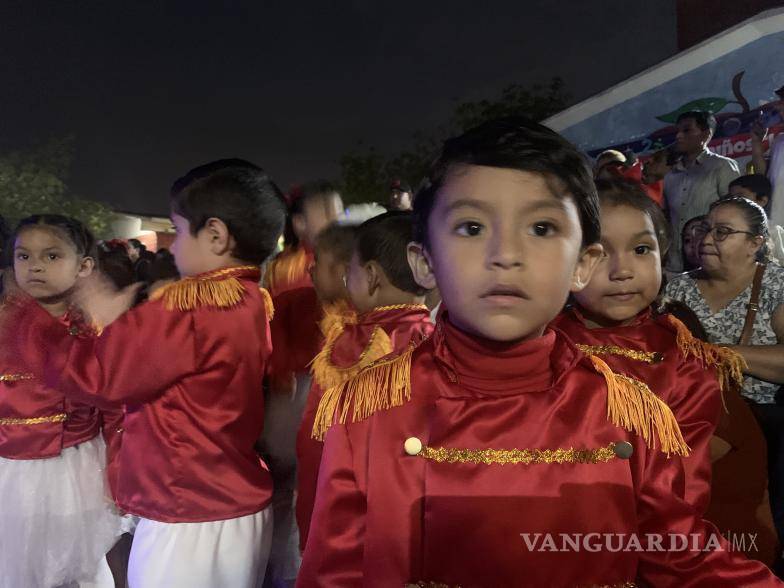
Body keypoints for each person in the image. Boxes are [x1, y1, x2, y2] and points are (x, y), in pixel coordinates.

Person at [298, 118, 781, 586]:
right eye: (471, 228)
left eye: (542, 229)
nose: (506, 254)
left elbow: (682, 555)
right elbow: (335, 571)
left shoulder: (625, 410)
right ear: (424, 262)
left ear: (581, 264)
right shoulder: (371, 408)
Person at [44, 159, 287, 587]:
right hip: (233, 502)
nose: (173, 248)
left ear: (215, 235)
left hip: (189, 512)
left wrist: (78, 325)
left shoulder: (189, 306)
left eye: (179, 230)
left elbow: (99, 378)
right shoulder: (251, 297)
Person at [552, 179, 777, 565]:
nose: (623, 270)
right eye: (599, 252)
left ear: (663, 253)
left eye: (641, 249)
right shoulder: (543, 343)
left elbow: (677, 496)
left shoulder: (682, 356)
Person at [296, 211, 433, 551]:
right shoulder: (438, 341)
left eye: (351, 272)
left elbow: (316, 443)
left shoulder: (355, 343)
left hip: (347, 521)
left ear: (371, 276)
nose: (345, 282)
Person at [0, 214, 121, 588]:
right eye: (24, 256)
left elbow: (115, 406)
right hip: (10, 469)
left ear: (83, 266)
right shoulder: (4, 323)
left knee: (76, 567)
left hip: (77, 465)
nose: (35, 265)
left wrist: (119, 471)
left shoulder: (96, 327)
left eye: (52, 256)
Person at [665, 196, 784, 556]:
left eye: (723, 231)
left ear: (755, 244)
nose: (707, 238)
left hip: (766, 419)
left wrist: (716, 354)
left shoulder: (777, 283)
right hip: (693, 416)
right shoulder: (678, 289)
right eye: (704, 229)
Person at [260, 180, 344, 586]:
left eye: (337, 210)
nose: (333, 220)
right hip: (297, 390)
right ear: (299, 222)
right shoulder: (287, 268)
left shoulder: (350, 258)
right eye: (323, 212)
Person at [664, 110, 740, 273]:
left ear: (706, 134)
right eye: (677, 131)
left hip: (711, 264)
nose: (678, 136)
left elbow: (734, 215)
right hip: (675, 265)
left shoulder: (722, 167)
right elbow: (667, 217)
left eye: (686, 130)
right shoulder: (670, 175)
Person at [729, 174, 784, 263]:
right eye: (731, 198)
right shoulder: (728, 227)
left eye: (740, 197)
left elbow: (781, 261)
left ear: (762, 200)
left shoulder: (773, 230)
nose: (734, 202)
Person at [752, 86, 784, 231]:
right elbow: (762, 177)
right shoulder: (780, 141)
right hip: (776, 223)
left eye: (783, 101)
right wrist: (756, 143)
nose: (778, 106)